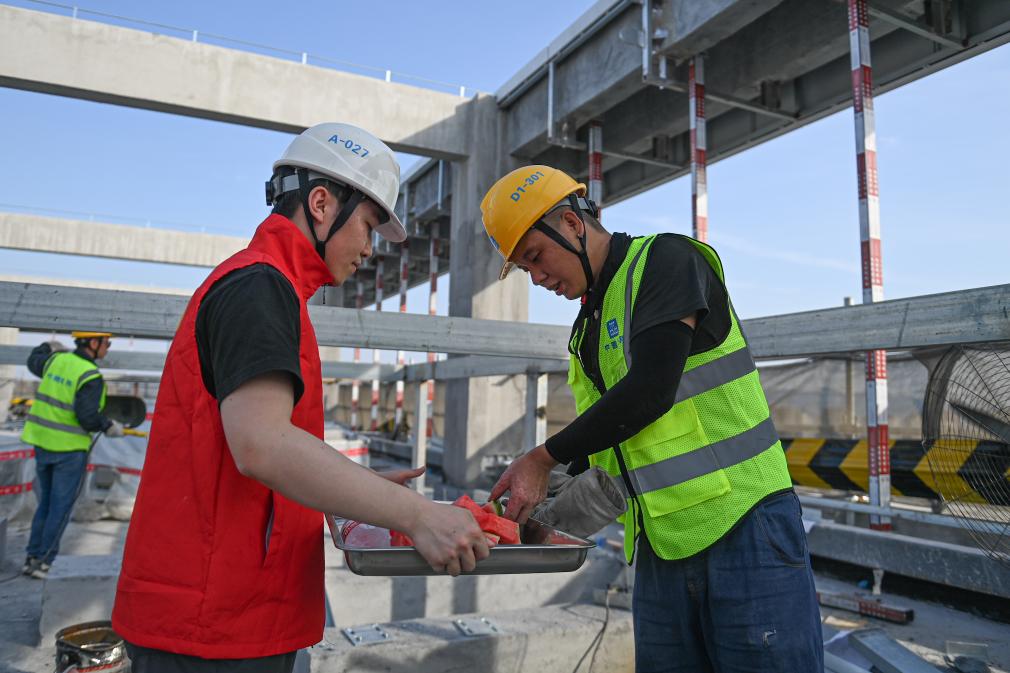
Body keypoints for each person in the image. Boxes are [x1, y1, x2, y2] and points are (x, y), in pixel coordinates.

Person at [112, 123, 490, 672]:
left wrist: (352, 489)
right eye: (367, 226)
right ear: (321, 204)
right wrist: (418, 515)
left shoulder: (271, 288)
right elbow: (262, 446)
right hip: (211, 627)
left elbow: (251, 451)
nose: (369, 248)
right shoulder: (259, 287)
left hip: (231, 616)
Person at [482, 166, 823, 672]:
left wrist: (541, 458)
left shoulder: (666, 261)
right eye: (524, 268)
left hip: (746, 528)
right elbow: (612, 444)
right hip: (662, 546)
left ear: (572, 224)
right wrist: (537, 514)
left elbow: (650, 392)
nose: (537, 277)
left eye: (535, 256)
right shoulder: (588, 329)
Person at [20, 331, 125, 579]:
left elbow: (33, 360)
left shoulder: (55, 360)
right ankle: (44, 561)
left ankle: (32, 557)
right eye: (106, 343)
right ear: (93, 343)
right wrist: (108, 425)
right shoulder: (90, 375)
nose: (108, 348)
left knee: (46, 504)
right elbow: (87, 417)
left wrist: (46, 346)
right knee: (60, 507)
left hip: (42, 444)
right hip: (68, 450)